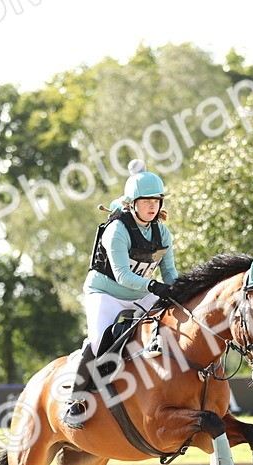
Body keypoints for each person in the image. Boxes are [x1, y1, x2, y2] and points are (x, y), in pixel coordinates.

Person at [62, 159, 178, 429]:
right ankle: (75, 401)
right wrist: (153, 286)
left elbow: (170, 272)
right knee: (98, 342)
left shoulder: (163, 232)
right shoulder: (117, 230)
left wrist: (182, 290)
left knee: (175, 323)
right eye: (146, 200)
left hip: (140, 293)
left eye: (156, 201)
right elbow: (123, 276)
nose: (152, 206)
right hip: (106, 291)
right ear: (132, 203)